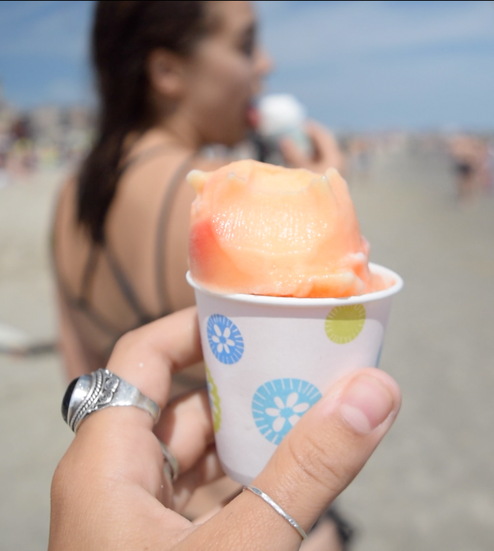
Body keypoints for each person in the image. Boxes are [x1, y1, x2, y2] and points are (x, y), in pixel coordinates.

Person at [50, 1, 346, 545]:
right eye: (244, 45)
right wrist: (318, 207)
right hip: (238, 510)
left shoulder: (73, 193)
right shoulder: (214, 200)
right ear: (167, 72)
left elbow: (84, 373)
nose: (266, 63)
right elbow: (312, 378)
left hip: (141, 498)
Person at [49, 308, 402, 551]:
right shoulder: (185, 209)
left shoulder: (70, 210)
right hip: (218, 486)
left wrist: (91, 417)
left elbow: (72, 348)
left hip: (164, 478)